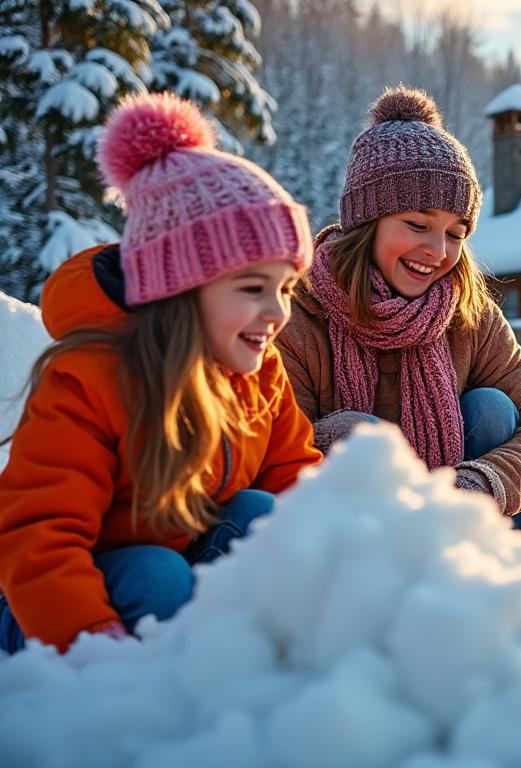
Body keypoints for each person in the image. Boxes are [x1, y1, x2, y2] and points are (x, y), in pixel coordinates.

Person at [0, 94, 321, 653]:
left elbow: (293, 474)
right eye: (252, 288)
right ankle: (134, 675)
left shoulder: (257, 370)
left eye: (285, 288)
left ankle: (248, 658)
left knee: (265, 519)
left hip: (174, 560)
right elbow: (38, 537)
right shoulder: (90, 381)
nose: (277, 313)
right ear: (177, 289)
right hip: (42, 600)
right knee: (157, 576)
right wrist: (92, 646)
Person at [276, 87, 521, 541]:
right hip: (348, 530)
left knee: (493, 409)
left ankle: (520, 570)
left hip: (465, 523)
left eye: (456, 233)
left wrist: (479, 485)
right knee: (359, 437)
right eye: (418, 225)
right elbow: (275, 449)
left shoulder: (467, 312)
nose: (437, 251)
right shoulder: (300, 313)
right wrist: (336, 444)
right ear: (367, 223)